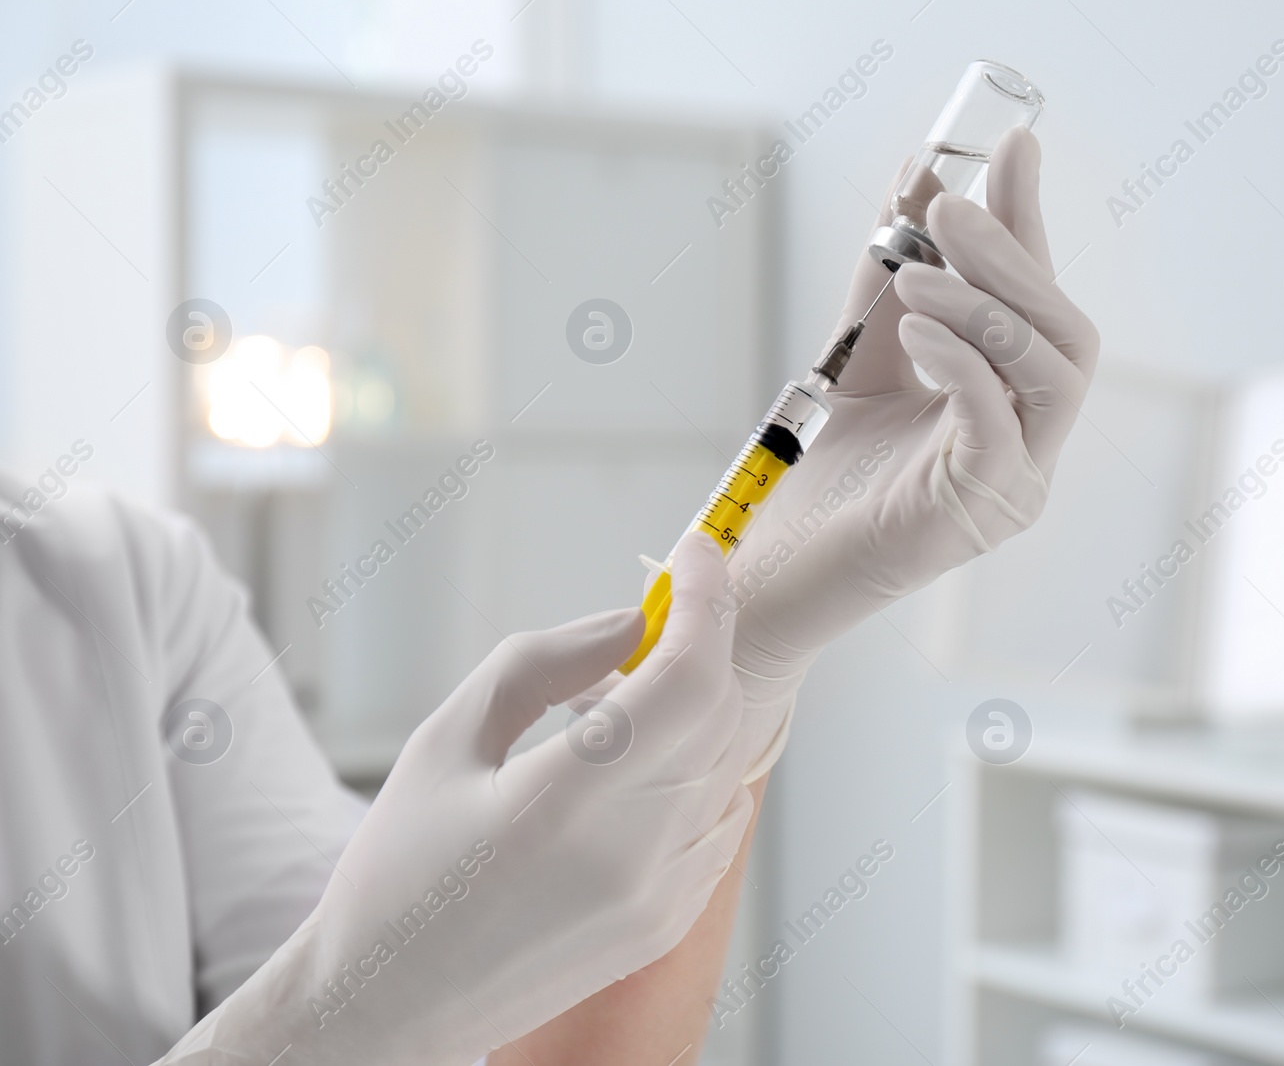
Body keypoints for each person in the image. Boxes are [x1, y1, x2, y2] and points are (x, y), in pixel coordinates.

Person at [0, 126, 1096, 1065]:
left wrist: (747, 649)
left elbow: (490, 1026)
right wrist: (344, 1010)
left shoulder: (109, 580)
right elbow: (373, 1006)